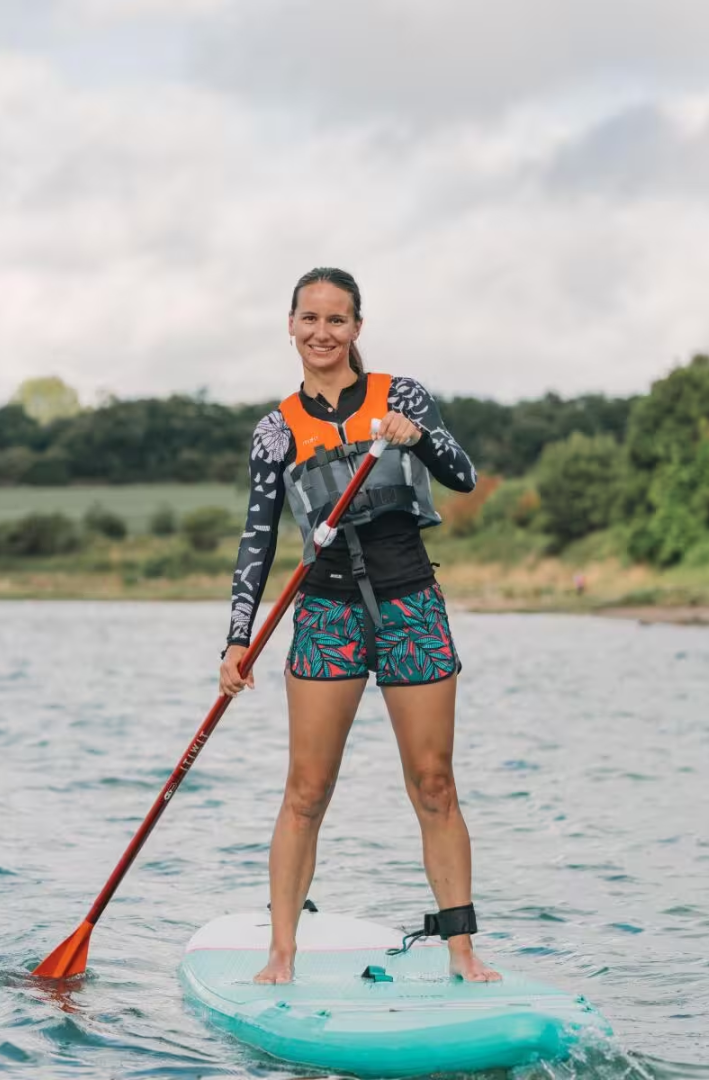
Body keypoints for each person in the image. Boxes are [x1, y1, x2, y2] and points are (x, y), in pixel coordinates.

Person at [219, 267, 501, 985]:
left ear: (357, 328)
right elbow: (258, 540)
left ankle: (461, 952)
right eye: (309, 319)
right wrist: (238, 637)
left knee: (434, 784)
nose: (322, 333)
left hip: (410, 603)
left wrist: (420, 439)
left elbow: (464, 475)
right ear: (290, 325)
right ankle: (281, 954)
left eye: (337, 320)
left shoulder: (400, 396)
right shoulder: (275, 430)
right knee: (306, 790)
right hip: (326, 613)